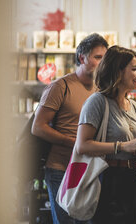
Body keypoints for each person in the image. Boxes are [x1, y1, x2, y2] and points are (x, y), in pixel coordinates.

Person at [31, 33, 108, 223]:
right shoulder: (60, 86)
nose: (102, 63)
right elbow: (38, 127)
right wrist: (75, 143)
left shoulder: (101, 89)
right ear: (82, 58)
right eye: (98, 57)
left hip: (90, 170)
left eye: (105, 58)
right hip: (61, 169)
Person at [76, 46, 136, 223]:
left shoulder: (134, 106)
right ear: (118, 71)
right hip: (107, 179)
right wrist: (122, 146)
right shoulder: (97, 102)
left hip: (131, 179)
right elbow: (82, 145)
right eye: (134, 69)